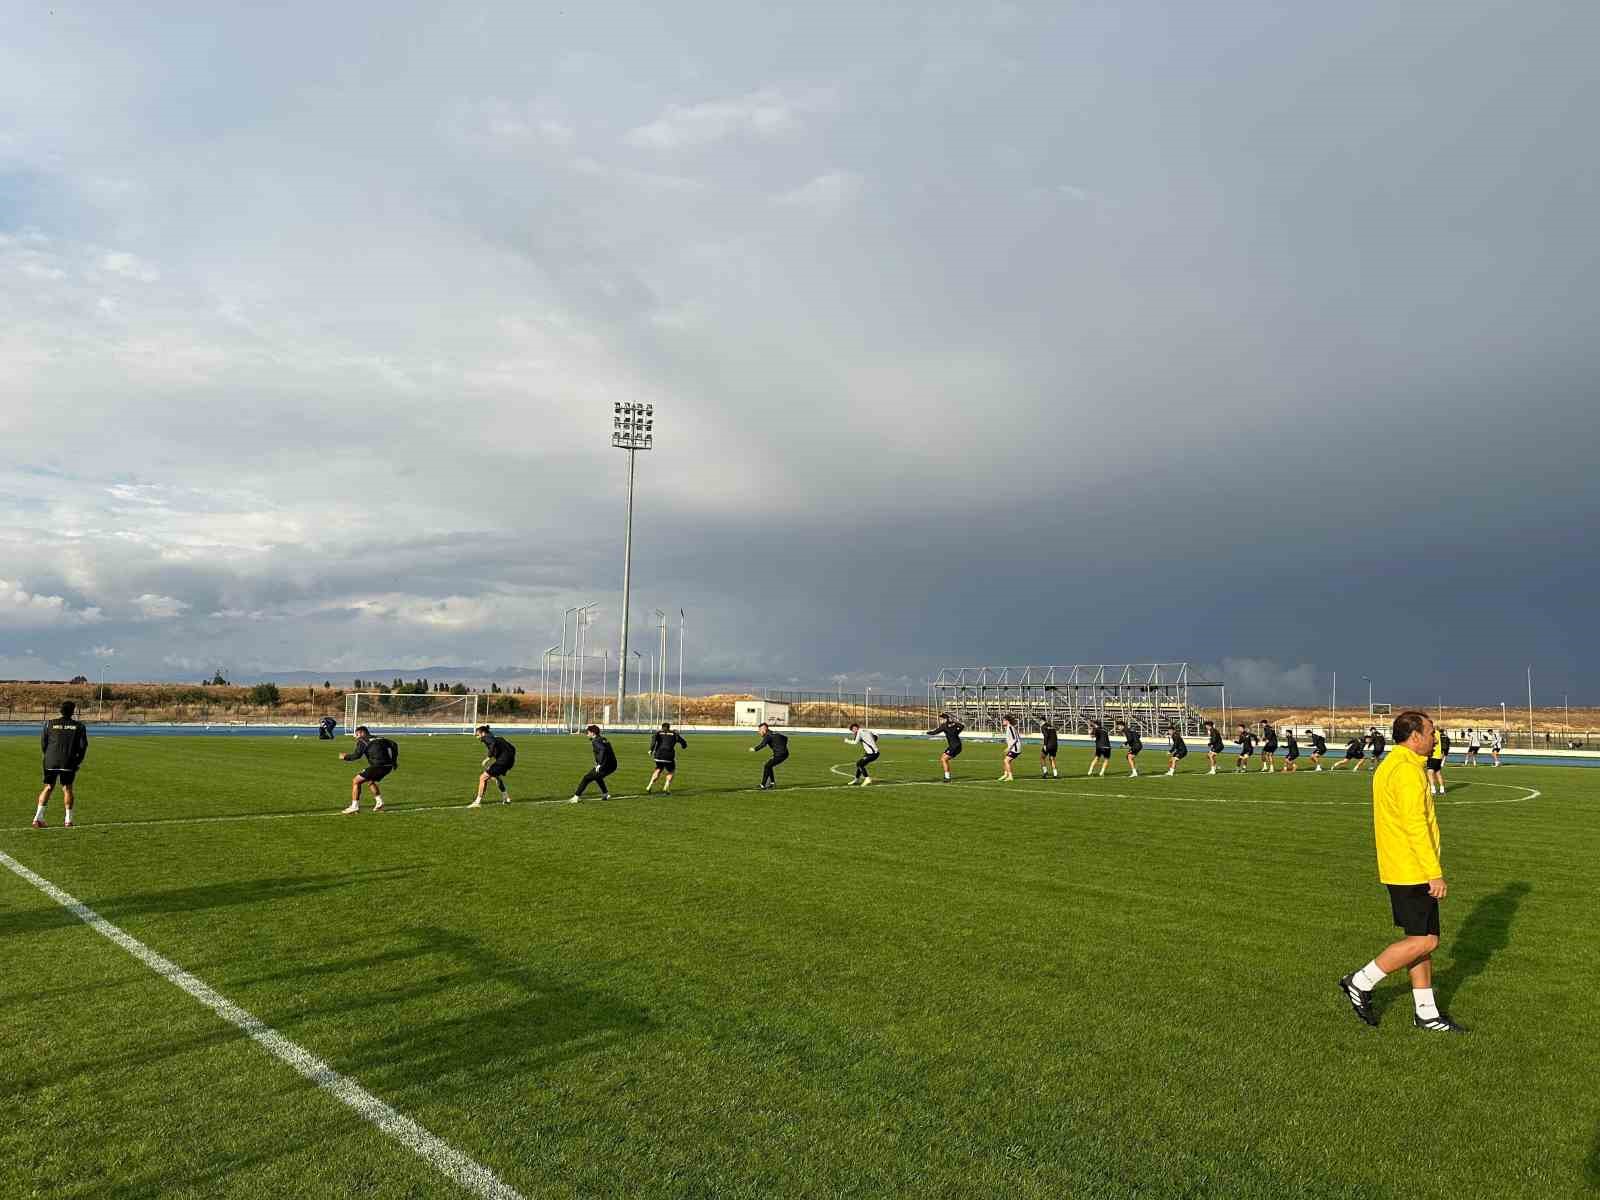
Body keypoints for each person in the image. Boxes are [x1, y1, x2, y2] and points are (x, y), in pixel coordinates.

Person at [1338, 710, 1466, 1033]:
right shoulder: (1408, 772)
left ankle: (1426, 1012)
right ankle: (1361, 980)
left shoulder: (1389, 766)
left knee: (1420, 939)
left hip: (1397, 864)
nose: (1435, 738)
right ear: (1415, 737)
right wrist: (1433, 871)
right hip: (1411, 868)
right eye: (1431, 732)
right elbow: (1415, 826)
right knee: (1427, 941)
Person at [34, 700, 89, 829]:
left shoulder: (49, 724)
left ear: (60, 711)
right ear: (73, 711)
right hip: (68, 761)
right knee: (67, 788)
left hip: (50, 760)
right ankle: (68, 820)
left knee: (48, 787)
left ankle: (37, 818)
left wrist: (48, 756)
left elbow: (43, 743)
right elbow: (83, 747)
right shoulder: (79, 726)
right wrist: (77, 761)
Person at [339, 726, 397, 813]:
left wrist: (345, 757)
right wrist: (394, 761)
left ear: (363, 733)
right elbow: (394, 745)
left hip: (378, 766)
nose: (356, 736)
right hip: (388, 766)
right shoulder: (380, 738)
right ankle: (379, 802)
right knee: (370, 781)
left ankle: (354, 806)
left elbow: (356, 756)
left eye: (357, 734)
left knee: (356, 781)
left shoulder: (362, 741)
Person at [469, 724, 515, 807]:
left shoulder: (488, 737)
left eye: (478, 735)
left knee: (483, 777)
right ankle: (506, 798)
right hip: (508, 761)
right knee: (495, 777)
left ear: (483, 733)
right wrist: (509, 758)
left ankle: (477, 802)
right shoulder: (497, 738)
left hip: (502, 761)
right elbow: (513, 748)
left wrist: (488, 758)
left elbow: (492, 744)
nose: (477, 738)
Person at [572, 724, 618, 801]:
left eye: (588, 732)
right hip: (613, 764)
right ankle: (605, 794)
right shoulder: (603, 739)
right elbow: (608, 751)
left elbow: (602, 750)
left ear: (593, 733)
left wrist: (600, 764)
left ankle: (576, 797)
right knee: (597, 777)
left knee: (586, 778)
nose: (587, 733)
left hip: (605, 765)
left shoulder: (596, 741)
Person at [646, 722, 688, 793]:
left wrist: (651, 750)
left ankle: (649, 785)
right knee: (671, 771)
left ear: (662, 727)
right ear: (669, 727)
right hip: (668, 755)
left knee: (658, 769)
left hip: (658, 755)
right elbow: (683, 743)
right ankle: (666, 787)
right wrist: (683, 745)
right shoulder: (674, 733)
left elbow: (653, 742)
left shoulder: (658, 733)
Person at [749, 722, 789, 790]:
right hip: (783, 753)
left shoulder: (768, 736)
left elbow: (763, 744)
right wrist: (782, 746)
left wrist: (755, 749)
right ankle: (772, 783)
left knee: (767, 766)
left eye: (760, 730)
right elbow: (785, 738)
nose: (759, 732)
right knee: (769, 766)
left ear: (764, 729)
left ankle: (762, 785)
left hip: (780, 754)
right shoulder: (773, 733)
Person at [927, 713, 964, 781]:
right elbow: (962, 726)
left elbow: (935, 732)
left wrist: (926, 733)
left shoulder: (944, 726)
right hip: (957, 745)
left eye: (941, 719)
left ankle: (947, 778)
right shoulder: (953, 723)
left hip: (954, 746)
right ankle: (947, 776)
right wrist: (957, 731)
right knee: (942, 758)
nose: (940, 720)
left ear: (945, 719)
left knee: (944, 759)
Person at [844, 722, 879, 786]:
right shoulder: (866, 730)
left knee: (859, 764)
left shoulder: (859, 732)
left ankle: (867, 779)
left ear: (855, 728)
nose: (853, 732)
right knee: (859, 764)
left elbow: (855, 742)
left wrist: (847, 741)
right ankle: (856, 779)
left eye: (852, 730)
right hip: (871, 753)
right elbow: (876, 734)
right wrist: (873, 740)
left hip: (873, 754)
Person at [1424, 726, 1450, 797]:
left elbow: (1435, 741)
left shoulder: (1434, 733)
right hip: (1439, 756)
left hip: (1433, 756)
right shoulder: (1441, 734)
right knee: (1438, 773)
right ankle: (1442, 790)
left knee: (1430, 772)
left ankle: (1433, 790)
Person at [999, 715, 1022, 781]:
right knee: (1006, 760)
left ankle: (1010, 776)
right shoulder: (1008, 728)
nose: (1002, 721)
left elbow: (1014, 739)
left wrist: (1009, 748)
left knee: (1006, 761)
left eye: (1004, 720)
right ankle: (1006, 774)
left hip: (1015, 748)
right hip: (1013, 747)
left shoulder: (1010, 728)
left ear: (1007, 721)